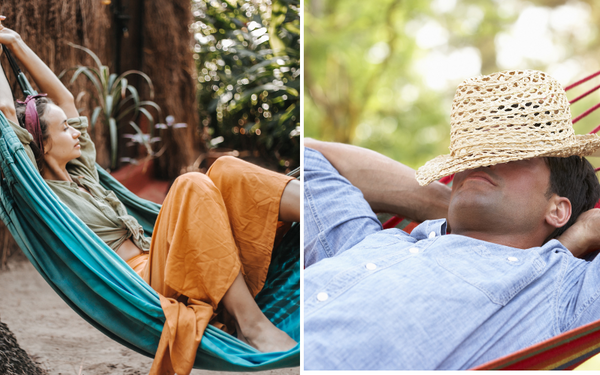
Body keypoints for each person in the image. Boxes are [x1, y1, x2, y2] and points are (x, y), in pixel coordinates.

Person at [0, 17, 298, 375]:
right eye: (64, 128)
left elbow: (63, 98)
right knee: (191, 184)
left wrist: (14, 42)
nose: (74, 131)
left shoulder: (83, 173)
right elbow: (4, 111)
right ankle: (253, 327)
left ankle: (321, 211)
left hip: (170, 257)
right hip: (145, 283)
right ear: (40, 143)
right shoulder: (41, 195)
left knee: (227, 171)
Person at [303, 69, 600, 370]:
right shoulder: (370, 243)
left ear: (558, 210)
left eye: (517, 155)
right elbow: (311, 156)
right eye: (473, 157)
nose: (485, 161)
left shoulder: (560, 291)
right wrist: (439, 201)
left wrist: (580, 236)